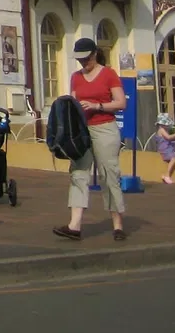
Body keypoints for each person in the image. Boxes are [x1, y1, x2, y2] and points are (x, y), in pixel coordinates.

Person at [54, 36, 127, 242]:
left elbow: (121, 103)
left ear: (94, 54)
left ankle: (117, 224)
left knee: (109, 174)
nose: (83, 63)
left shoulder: (108, 74)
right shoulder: (76, 77)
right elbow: (74, 101)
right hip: (82, 131)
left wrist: (97, 106)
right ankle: (74, 225)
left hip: (105, 127)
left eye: (86, 58)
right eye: (79, 59)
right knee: (78, 173)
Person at [154, 112, 175, 184]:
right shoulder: (161, 130)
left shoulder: (164, 130)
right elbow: (168, 137)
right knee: (173, 159)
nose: (167, 126)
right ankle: (167, 175)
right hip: (164, 148)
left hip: (167, 146)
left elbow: (169, 139)